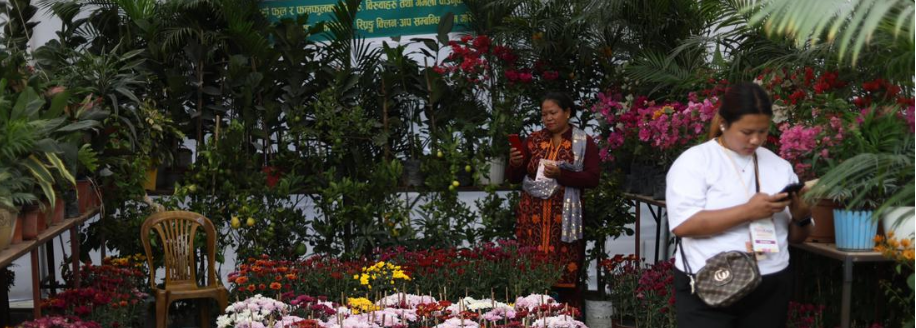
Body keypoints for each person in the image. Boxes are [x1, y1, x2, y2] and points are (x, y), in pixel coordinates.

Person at [666, 82, 813, 328]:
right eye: (746, 132)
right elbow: (683, 225)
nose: (755, 140)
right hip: (711, 284)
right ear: (724, 123)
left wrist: (802, 216)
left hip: (770, 286)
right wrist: (748, 211)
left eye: (763, 131)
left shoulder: (779, 167)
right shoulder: (695, 162)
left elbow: (798, 236)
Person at [508, 91, 600, 307]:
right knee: (531, 270)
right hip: (533, 220)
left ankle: (565, 318)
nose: (548, 118)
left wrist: (562, 175)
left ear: (567, 112)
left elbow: (593, 178)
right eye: (544, 114)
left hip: (564, 223)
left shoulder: (583, 141)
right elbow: (514, 178)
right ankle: (530, 314)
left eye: (553, 113)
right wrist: (514, 163)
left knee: (565, 271)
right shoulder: (533, 140)